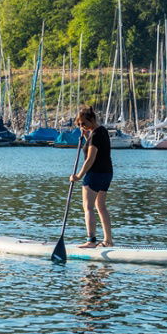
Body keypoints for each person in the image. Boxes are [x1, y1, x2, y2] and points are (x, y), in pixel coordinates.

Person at [68, 105, 114, 248]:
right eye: (80, 124)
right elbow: (97, 147)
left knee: (88, 207)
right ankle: (108, 240)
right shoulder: (101, 131)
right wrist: (86, 135)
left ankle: (91, 241)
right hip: (107, 173)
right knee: (101, 206)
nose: (82, 126)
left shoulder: (94, 135)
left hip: (94, 174)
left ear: (92, 119)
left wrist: (79, 175)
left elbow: (90, 158)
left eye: (84, 123)